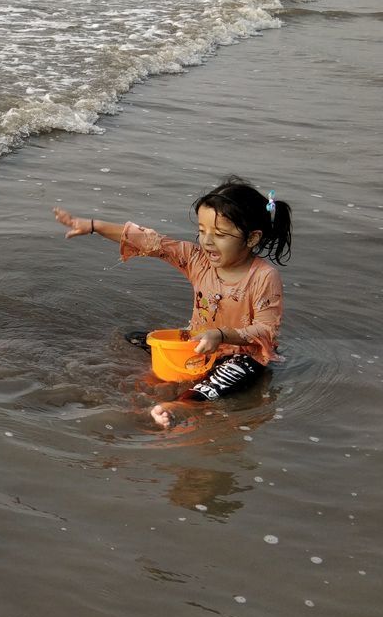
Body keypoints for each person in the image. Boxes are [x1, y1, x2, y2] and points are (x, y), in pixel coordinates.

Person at [52, 177, 293, 429]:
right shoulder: (198, 260)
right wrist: (94, 225)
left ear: (252, 238)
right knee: (135, 338)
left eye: (220, 234)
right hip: (197, 343)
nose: (207, 241)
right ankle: (153, 384)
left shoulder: (264, 276)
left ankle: (178, 406)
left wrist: (221, 335)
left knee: (222, 381)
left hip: (241, 354)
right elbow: (152, 243)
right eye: (202, 231)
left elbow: (266, 329)